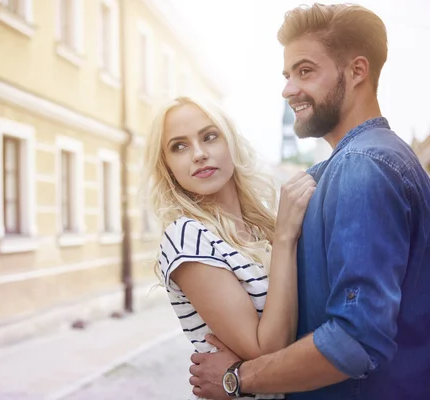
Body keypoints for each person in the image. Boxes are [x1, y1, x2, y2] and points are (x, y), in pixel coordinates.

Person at [189, 3, 430, 399]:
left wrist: (237, 378)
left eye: (305, 71)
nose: (288, 89)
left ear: (357, 71)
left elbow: (356, 339)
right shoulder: (353, 164)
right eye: (287, 75)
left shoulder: (363, 167)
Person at [140, 95, 316, 399]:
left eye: (210, 137)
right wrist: (286, 238)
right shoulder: (186, 237)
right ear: (166, 166)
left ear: (230, 142)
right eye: (179, 146)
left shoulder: (263, 226)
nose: (198, 154)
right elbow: (266, 352)